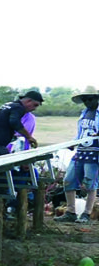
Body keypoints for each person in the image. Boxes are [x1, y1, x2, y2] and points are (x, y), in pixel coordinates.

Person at [55, 92, 99, 224]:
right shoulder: (84, 113)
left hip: (95, 152)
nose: (87, 102)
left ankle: (87, 213)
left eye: (90, 99)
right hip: (80, 151)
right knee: (68, 180)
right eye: (84, 100)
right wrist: (73, 142)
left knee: (90, 184)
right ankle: (71, 212)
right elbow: (81, 132)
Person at [0, 91, 42, 159]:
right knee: (6, 164)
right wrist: (29, 137)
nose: (34, 109)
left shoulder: (9, 105)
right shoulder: (18, 107)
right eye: (35, 105)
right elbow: (14, 122)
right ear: (29, 101)